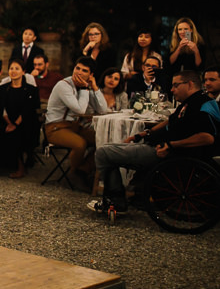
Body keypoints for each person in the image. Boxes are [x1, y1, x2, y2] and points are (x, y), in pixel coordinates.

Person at [90, 70, 219, 215]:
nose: (172, 89)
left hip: (168, 154)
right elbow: (170, 121)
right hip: (160, 145)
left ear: (189, 84)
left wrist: (171, 145)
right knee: (107, 148)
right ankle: (119, 197)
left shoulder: (202, 105)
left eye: (175, 85)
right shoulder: (191, 101)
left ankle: (117, 202)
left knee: (103, 153)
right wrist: (143, 133)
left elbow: (207, 138)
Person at [43, 56, 108, 185]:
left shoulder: (87, 86)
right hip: (55, 128)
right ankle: (73, 175)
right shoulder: (63, 85)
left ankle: (83, 169)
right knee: (80, 144)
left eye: (84, 70)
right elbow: (80, 110)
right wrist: (84, 89)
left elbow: (103, 110)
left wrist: (94, 87)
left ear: (91, 75)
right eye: (77, 68)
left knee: (103, 140)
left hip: (73, 126)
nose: (78, 72)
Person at [0, 60, 40, 178]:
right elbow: (0, 106)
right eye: (11, 68)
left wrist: (16, 124)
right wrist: (9, 123)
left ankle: (20, 168)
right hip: (6, 120)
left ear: (23, 71)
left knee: (20, 132)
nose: (13, 71)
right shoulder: (3, 88)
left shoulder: (30, 89)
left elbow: (28, 109)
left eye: (17, 68)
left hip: (23, 121)